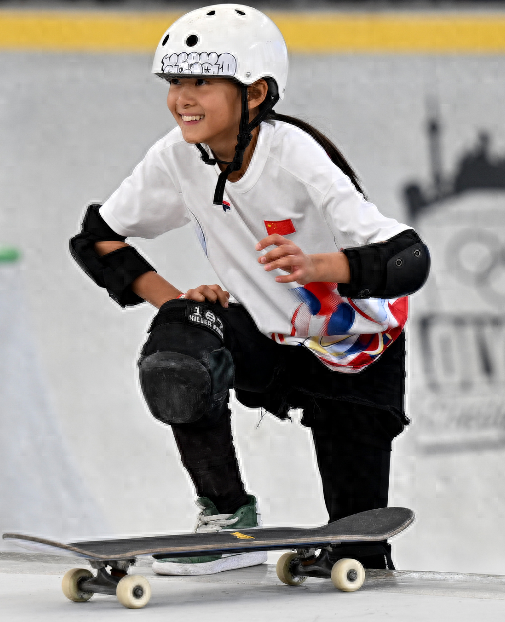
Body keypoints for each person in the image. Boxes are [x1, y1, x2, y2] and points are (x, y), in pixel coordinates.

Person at [68, 4, 429, 577]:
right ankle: (230, 518)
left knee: (359, 551)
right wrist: (178, 301)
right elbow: (96, 238)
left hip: (359, 353)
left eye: (202, 82)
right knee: (178, 347)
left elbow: (409, 257)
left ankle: (359, 551)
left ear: (255, 92)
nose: (183, 98)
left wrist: (321, 263)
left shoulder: (298, 156)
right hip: (267, 339)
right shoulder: (177, 157)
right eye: (176, 82)